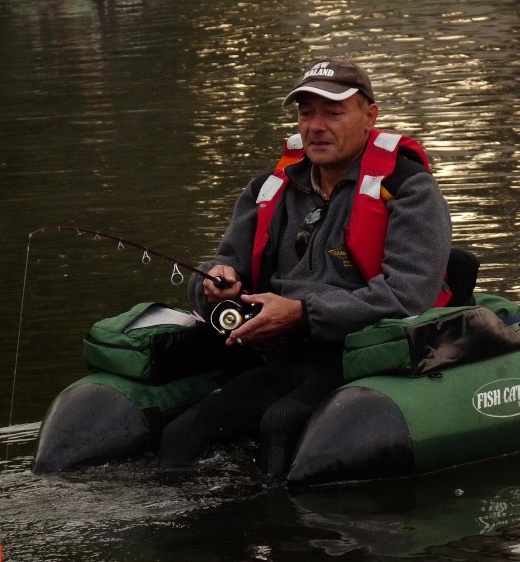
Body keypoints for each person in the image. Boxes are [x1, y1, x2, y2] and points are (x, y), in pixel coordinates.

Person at [159, 58, 453, 476]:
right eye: (306, 113)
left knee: (280, 425)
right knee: (182, 434)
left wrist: (302, 314)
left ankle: (285, 533)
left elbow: (409, 297)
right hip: (282, 356)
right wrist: (214, 285)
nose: (316, 126)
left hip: (360, 356)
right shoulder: (269, 188)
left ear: (369, 117)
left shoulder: (409, 190)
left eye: (333, 113)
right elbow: (225, 264)